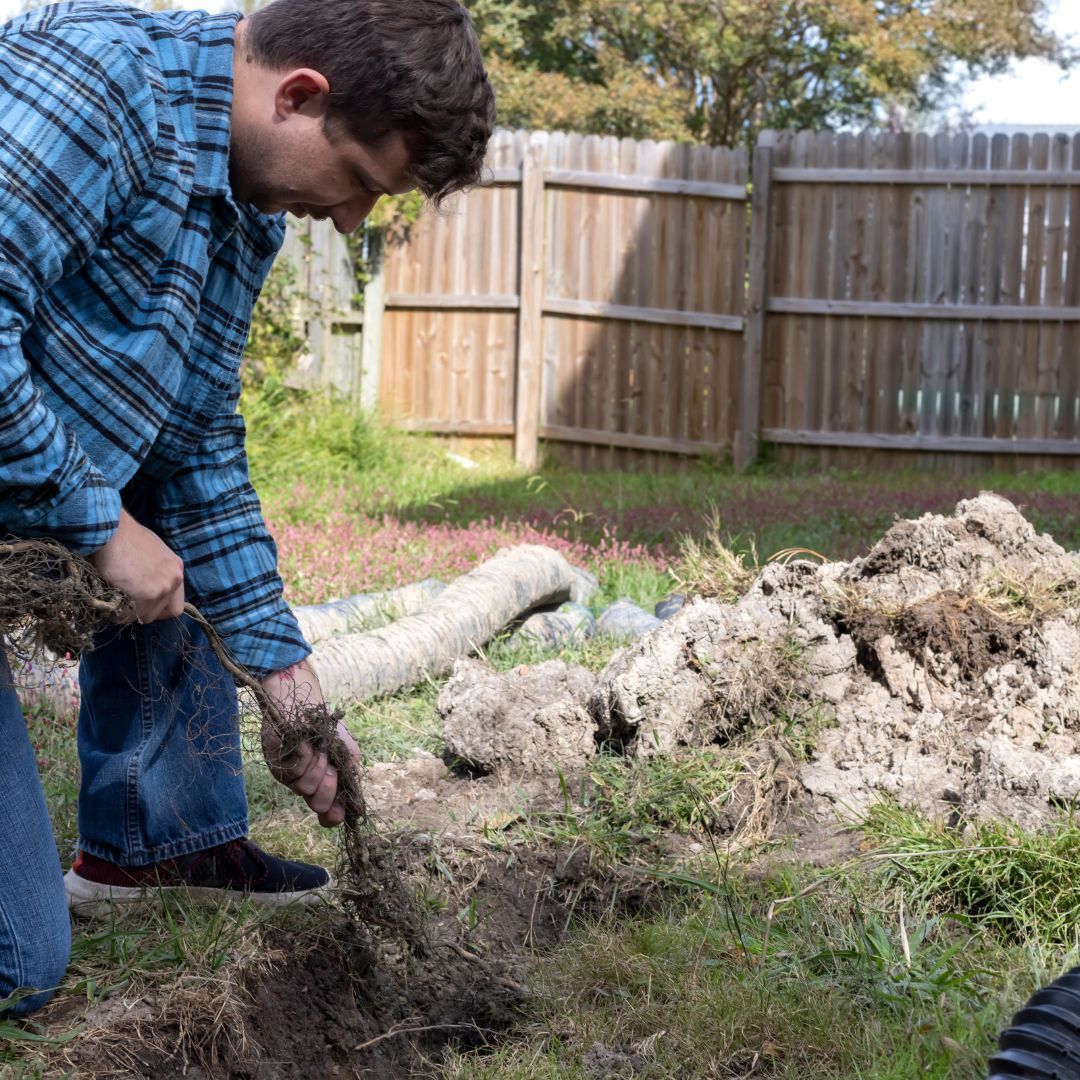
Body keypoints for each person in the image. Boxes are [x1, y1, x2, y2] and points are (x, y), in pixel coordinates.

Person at [0, 0, 494, 1016]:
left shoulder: (241, 203)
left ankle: (156, 847)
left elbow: (198, 449)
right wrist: (96, 523)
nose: (352, 221)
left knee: (164, 493)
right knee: (16, 960)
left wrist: (289, 686)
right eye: (359, 181)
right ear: (298, 94)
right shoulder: (101, 88)